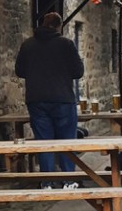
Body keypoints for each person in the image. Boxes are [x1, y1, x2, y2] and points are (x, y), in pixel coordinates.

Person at [14, 12, 85, 187]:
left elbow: (20, 71)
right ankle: (68, 180)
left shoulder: (28, 44)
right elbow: (78, 72)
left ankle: (47, 181)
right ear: (59, 25)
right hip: (62, 98)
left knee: (44, 141)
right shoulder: (66, 44)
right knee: (66, 140)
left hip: (36, 98)